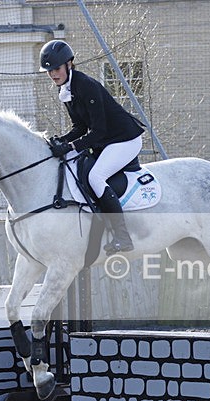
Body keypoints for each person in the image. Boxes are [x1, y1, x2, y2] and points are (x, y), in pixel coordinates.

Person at [39, 39, 144, 254]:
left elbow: (98, 132)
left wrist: (70, 146)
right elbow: (80, 126)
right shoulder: (67, 89)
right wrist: (63, 140)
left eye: (56, 69)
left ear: (69, 64)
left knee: (95, 177)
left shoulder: (85, 86)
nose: (53, 75)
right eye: (49, 72)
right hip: (108, 140)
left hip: (125, 139)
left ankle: (123, 237)